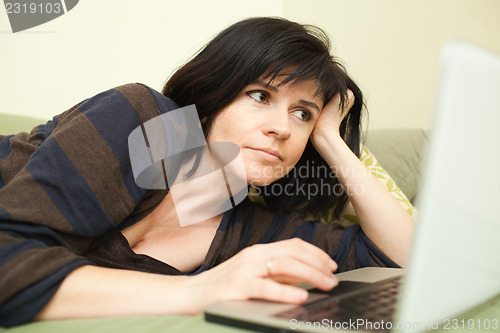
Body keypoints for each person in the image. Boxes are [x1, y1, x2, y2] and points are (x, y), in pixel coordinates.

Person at [0, 17, 414, 326]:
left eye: (302, 113)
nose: (283, 128)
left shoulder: (247, 230)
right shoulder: (145, 123)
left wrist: (331, 140)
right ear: (215, 92)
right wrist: (202, 290)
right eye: (259, 95)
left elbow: (402, 261)